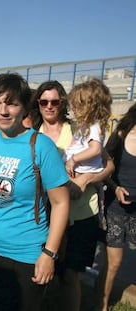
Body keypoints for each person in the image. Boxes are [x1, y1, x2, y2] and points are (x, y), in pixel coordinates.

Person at [0, 73, 70, 311]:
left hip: (24, 255)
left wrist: (49, 254)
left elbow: (61, 203)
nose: (3, 111)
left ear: (24, 108)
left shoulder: (41, 146)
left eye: (11, 103)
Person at [30, 80, 114, 311]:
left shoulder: (79, 129)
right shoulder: (31, 135)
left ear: (63, 103)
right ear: (37, 103)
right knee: (38, 273)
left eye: (55, 101)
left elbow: (108, 166)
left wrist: (85, 179)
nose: (49, 106)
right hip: (42, 217)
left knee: (70, 277)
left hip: (80, 215)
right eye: (43, 101)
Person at [100, 103, 136, 311]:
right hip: (117, 207)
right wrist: (115, 188)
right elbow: (104, 168)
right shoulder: (120, 136)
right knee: (114, 263)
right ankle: (102, 304)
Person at [65, 79, 112, 178]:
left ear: (91, 107)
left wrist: (73, 159)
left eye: (77, 105)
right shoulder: (86, 126)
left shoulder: (94, 126)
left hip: (80, 173)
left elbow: (95, 149)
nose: (73, 108)